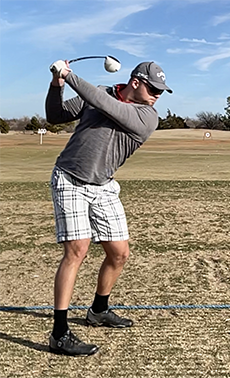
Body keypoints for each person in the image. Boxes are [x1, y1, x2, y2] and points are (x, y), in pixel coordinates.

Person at [46, 59, 172, 356]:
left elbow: (105, 105)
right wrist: (57, 83)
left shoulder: (147, 117)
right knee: (77, 250)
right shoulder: (100, 91)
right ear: (136, 82)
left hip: (103, 185)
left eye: (161, 91)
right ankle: (59, 333)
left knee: (120, 253)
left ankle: (98, 311)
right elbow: (55, 115)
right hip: (70, 178)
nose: (157, 95)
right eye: (153, 88)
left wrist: (70, 74)